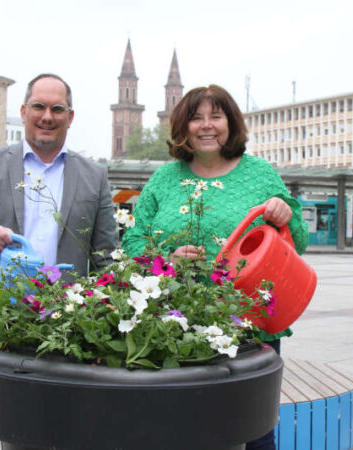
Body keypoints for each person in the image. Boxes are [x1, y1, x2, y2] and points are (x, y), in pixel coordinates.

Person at [122, 84, 308, 450]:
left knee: (251, 430)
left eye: (216, 116)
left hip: (249, 324)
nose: (206, 126)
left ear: (230, 123)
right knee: (181, 428)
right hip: (176, 325)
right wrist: (165, 260)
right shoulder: (164, 178)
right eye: (196, 118)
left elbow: (296, 240)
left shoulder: (260, 174)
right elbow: (132, 242)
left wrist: (286, 214)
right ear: (183, 127)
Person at [0, 73, 117, 450]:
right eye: (38, 106)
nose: (47, 116)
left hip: (63, 329)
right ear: (23, 111)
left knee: (52, 435)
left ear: (70, 117)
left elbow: (106, 258)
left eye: (57, 108)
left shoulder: (94, 176)